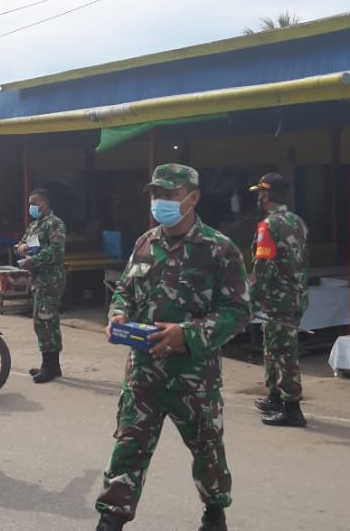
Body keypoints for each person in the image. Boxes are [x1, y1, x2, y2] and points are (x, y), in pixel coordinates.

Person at [96, 164, 250, 531]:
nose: (160, 201)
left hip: (193, 378)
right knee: (127, 449)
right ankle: (110, 519)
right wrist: (118, 313)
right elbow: (125, 291)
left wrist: (188, 333)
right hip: (143, 375)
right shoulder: (145, 243)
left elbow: (239, 312)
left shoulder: (219, 250)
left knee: (207, 451)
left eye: (169, 194)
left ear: (193, 197)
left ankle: (214, 514)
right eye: (155, 194)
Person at [247, 173, 310, 428]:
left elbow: (263, 267)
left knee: (284, 353)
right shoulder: (298, 222)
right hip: (296, 297)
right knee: (273, 347)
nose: (259, 198)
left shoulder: (268, 226)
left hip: (278, 300)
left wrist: (251, 302)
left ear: (267, 196)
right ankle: (275, 396)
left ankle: (292, 408)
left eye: (261, 194)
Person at [16, 187, 68, 383]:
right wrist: (20, 249)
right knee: (43, 321)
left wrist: (35, 260)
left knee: (45, 320)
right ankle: (50, 365)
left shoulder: (55, 224)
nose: (31, 207)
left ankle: (50, 366)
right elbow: (23, 242)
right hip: (38, 279)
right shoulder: (34, 226)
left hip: (51, 279)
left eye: (34, 203)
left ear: (45, 203)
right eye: (29, 204)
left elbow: (56, 250)